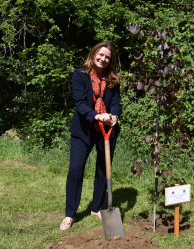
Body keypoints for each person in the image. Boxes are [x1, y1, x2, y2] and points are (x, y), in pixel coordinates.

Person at [59, 41, 122, 232]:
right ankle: (70, 214)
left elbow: (117, 103)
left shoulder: (113, 79)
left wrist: (114, 115)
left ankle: (96, 208)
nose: (103, 59)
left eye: (107, 57)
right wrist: (96, 115)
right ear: (93, 54)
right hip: (84, 129)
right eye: (100, 55)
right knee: (76, 169)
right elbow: (80, 103)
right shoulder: (80, 75)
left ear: (111, 60)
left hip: (107, 130)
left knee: (103, 168)